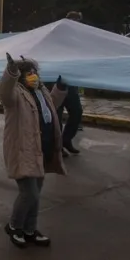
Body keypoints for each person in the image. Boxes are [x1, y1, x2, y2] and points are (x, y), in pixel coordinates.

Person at [0, 54, 68, 248]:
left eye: (34, 72)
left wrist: (62, 86)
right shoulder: (15, 94)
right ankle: (14, 226)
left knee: (37, 192)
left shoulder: (41, 90)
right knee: (30, 193)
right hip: (23, 149)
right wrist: (10, 72)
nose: (33, 75)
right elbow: (4, 92)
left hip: (42, 148)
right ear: (20, 76)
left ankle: (29, 230)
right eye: (28, 73)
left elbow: (52, 103)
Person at [57, 11, 85, 155]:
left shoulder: (77, 39)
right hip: (55, 82)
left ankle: (66, 140)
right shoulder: (56, 36)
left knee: (77, 112)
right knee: (57, 115)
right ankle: (57, 147)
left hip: (70, 81)